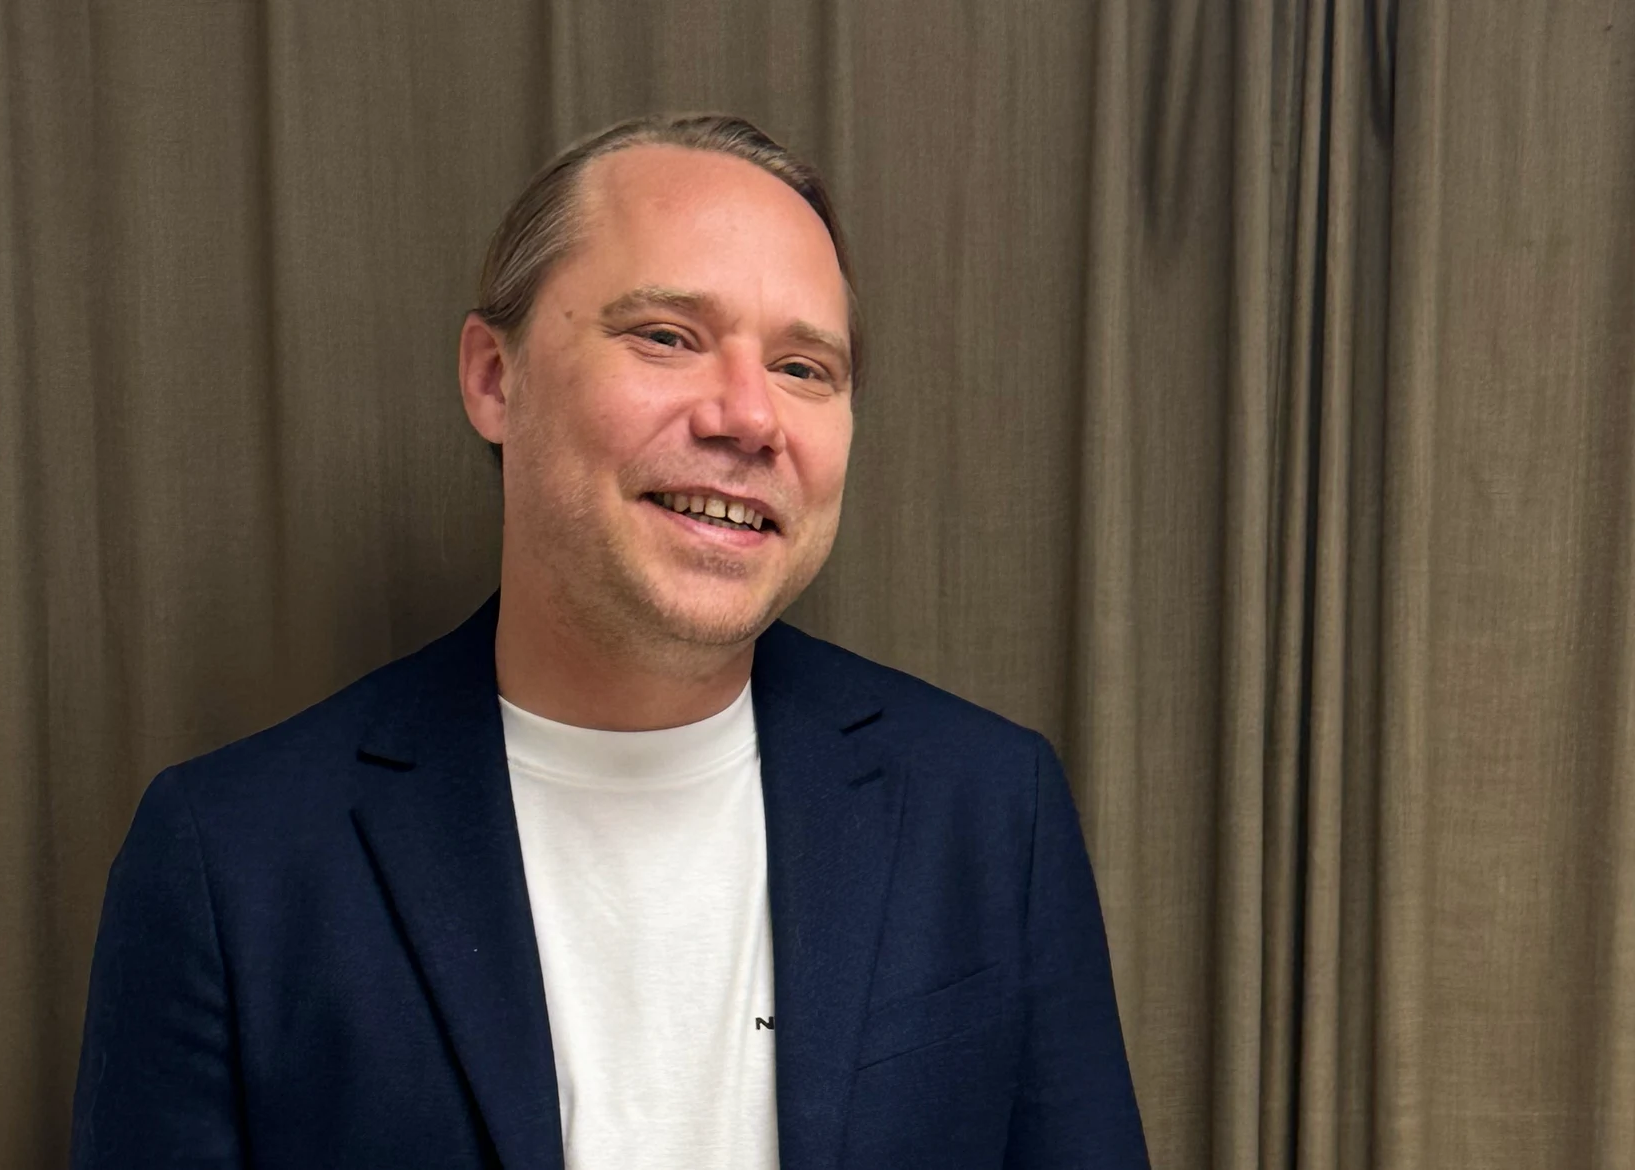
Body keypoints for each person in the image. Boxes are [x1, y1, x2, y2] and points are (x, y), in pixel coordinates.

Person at [71, 112, 1148, 1170]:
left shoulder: (989, 811)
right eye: (667, 337)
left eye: (804, 368)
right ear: (496, 380)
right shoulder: (233, 859)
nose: (748, 416)